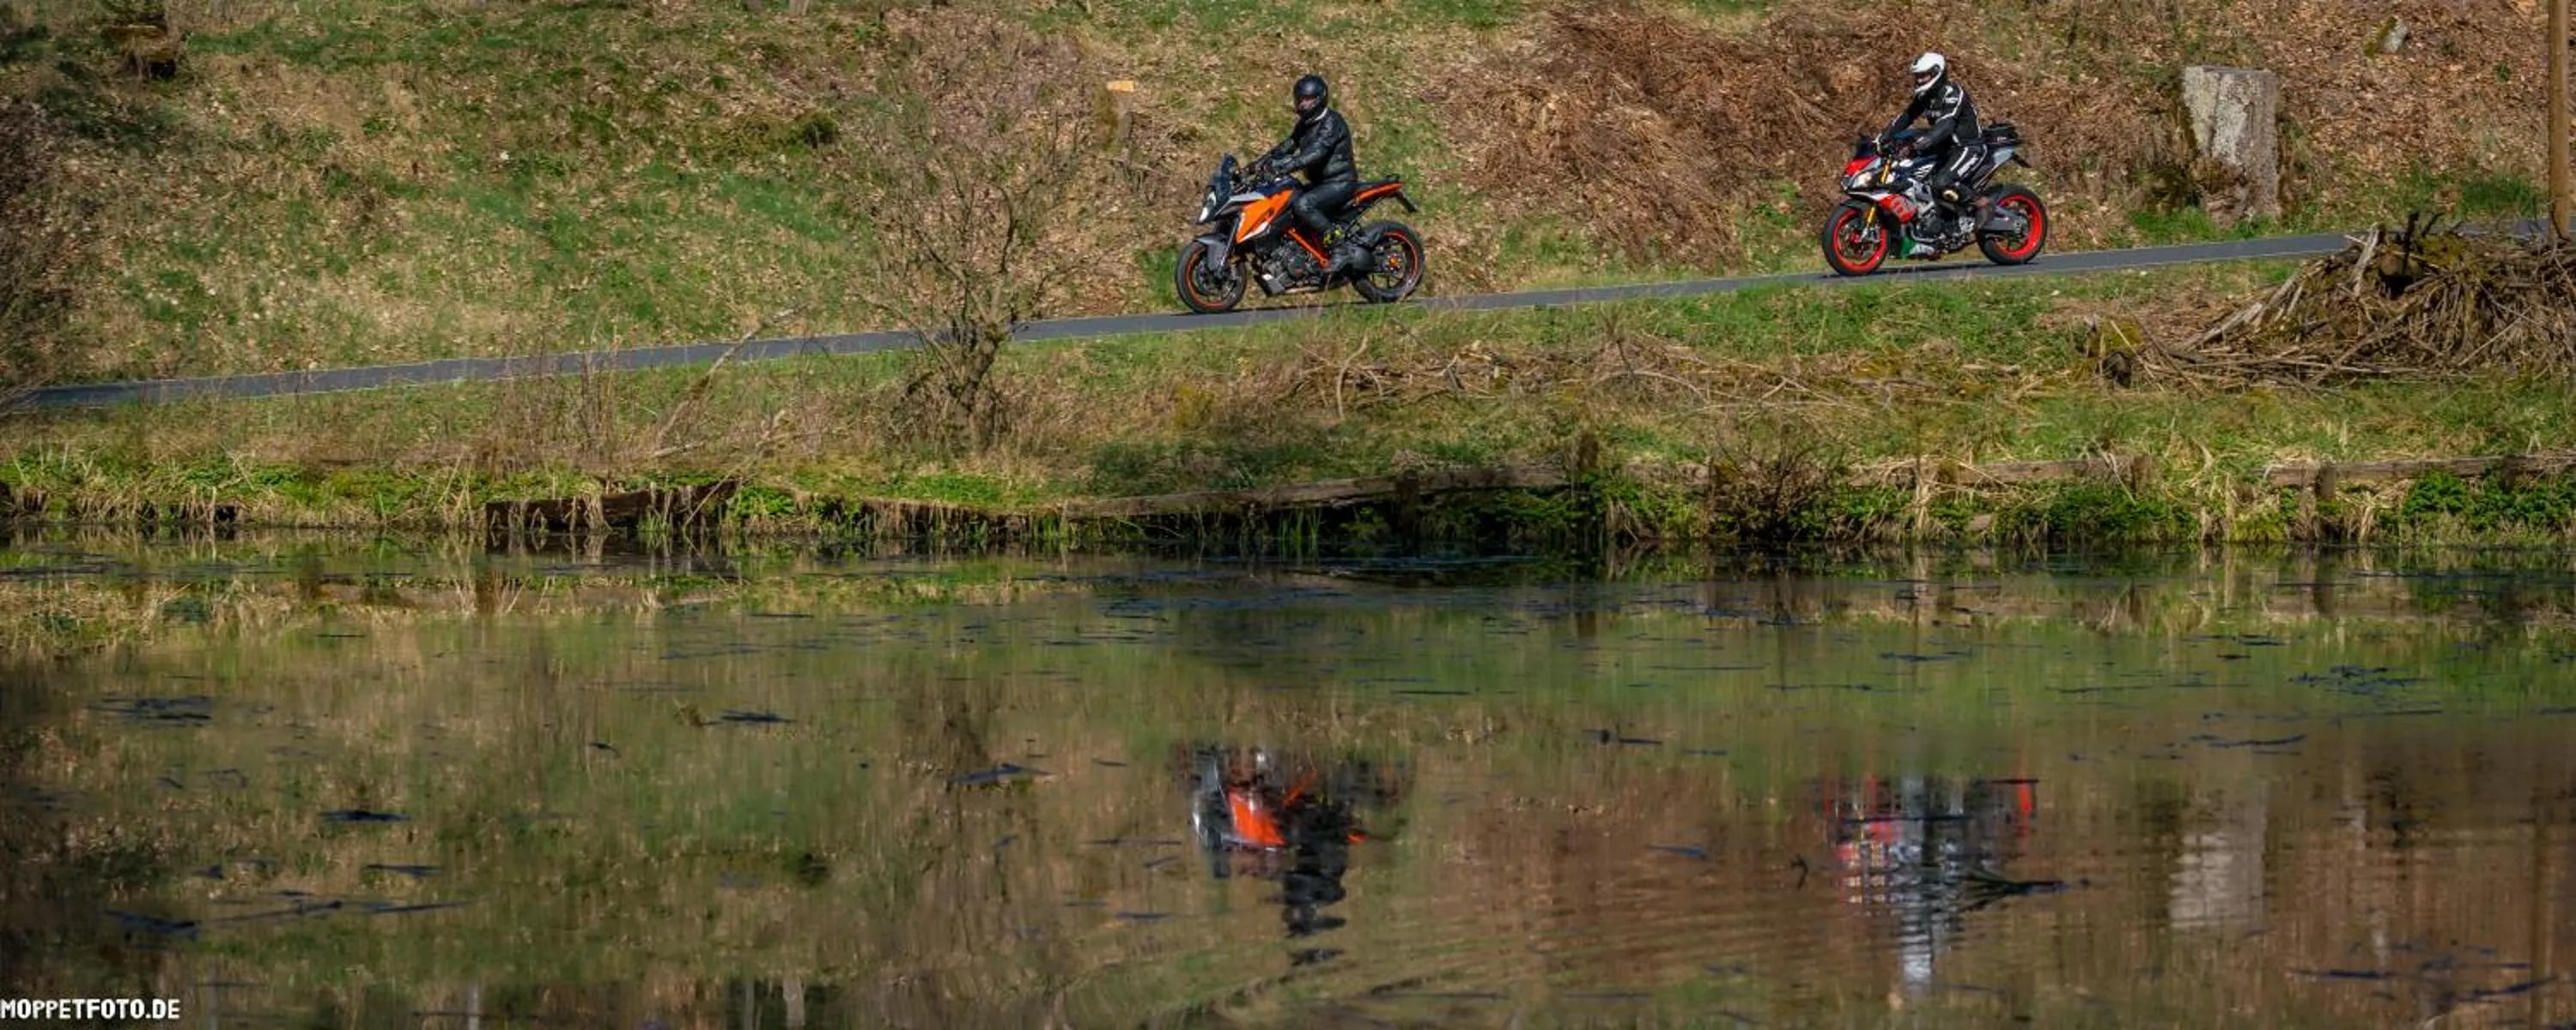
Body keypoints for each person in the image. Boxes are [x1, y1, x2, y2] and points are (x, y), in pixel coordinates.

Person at [1253, 74, 1369, 281]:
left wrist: (1289, 165)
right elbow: (1288, 145)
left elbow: (1317, 151)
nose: (1302, 104)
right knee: (1288, 200)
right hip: (1320, 183)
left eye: (1306, 100)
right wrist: (1260, 163)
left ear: (1319, 98)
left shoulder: (1332, 121)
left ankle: (1340, 248)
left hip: (1340, 182)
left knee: (1304, 204)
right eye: (1299, 100)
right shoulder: (1305, 123)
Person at [1880, 52, 1983, 214]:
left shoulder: (1952, 92)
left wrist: (1923, 142)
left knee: (1942, 183)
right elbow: (1907, 116)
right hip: (1944, 147)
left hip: (1967, 147)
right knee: (1908, 174)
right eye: (1917, 76)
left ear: (1937, 72)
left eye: (1923, 76)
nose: (1919, 80)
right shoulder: (1925, 96)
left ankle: (1983, 204)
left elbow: (1947, 124)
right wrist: (1883, 137)